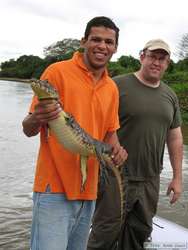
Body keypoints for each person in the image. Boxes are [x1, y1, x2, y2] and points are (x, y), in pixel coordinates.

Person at [22, 16, 128, 250]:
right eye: (96, 39)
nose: (102, 46)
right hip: (53, 190)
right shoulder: (57, 72)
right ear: (83, 41)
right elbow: (28, 129)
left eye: (109, 42)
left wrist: (118, 152)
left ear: (115, 48)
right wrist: (37, 116)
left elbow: (110, 135)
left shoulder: (111, 87)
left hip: (88, 192)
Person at [87, 39, 183, 250]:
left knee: (139, 233)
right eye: (152, 56)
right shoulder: (116, 85)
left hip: (150, 179)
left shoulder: (170, 95)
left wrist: (177, 177)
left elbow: (175, 137)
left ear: (167, 63)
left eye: (162, 58)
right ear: (142, 57)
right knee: (105, 233)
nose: (156, 62)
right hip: (115, 175)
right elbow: (95, 123)